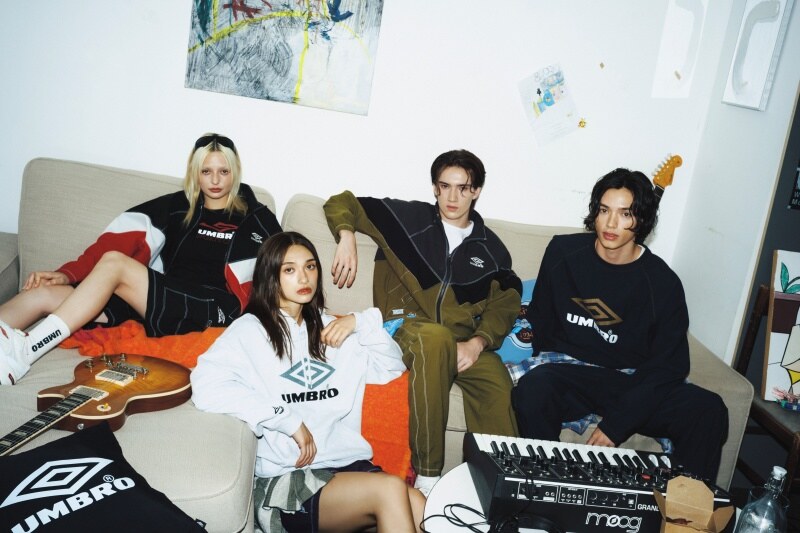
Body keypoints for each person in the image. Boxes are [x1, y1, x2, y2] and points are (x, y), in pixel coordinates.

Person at [0, 133, 282, 385]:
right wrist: (67, 275)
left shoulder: (257, 218)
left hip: (211, 309)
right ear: (195, 173)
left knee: (115, 263)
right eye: (206, 171)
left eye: (224, 171)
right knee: (44, 293)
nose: (216, 180)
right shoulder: (177, 207)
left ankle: (28, 349)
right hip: (161, 300)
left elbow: (285, 268)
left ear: (235, 172)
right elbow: (116, 241)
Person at [190, 231, 425, 533]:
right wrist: (285, 419)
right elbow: (206, 384)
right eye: (289, 269)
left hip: (347, 465)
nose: (303, 278)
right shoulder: (250, 331)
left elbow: (391, 367)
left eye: (310, 266)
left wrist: (360, 323)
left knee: (418, 503)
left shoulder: (333, 329)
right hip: (290, 476)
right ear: (270, 276)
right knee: (390, 489)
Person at [323, 149, 521, 495]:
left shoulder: (492, 249)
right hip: (407, 328)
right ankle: (427, 478)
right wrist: (346, 235)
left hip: (462, 342)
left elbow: (506, 301)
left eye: (463, 188)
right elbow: (343, 202)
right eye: (445, 186)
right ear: (434, 188)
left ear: (476, 191)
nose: (452, 197)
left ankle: (503, 491)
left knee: (496, 379)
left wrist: (478, 343)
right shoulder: (407, 219)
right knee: (434, 339)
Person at [511, 168, 728, 481]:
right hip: (572, 371)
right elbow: (541, 317)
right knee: (534, 388)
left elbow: (670, 366)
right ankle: (549, 486)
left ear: (642, 220)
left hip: (628, 380)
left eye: (625, 214)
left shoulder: (662, 282)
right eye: (604, 210)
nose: (611, 223)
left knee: (708, 409)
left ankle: (685, 508)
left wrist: (616, 424)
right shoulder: (563, 252)